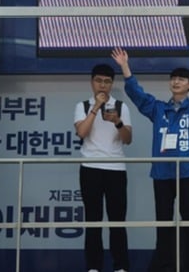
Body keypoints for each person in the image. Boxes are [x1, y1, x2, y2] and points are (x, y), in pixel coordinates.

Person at [113, 47, 189, 272]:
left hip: (188, 172)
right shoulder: (158, 109)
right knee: (163, 223)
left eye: (181, 79)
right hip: (162, 174)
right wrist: (125, 67)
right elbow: (138, 96)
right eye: (173, 79)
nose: (176, 82)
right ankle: (165, 266)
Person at [75, 64, 133, 272]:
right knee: (93, 219)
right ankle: (93, 267)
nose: (103, 85)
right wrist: (95, 109)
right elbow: (81, 132)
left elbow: (128, 139)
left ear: (112, 84)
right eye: (99, 80)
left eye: (107, 81)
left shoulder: (121, 106)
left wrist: (118, 122)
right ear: (92, 82)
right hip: (90, 167)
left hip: (116, 168)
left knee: (117, 220)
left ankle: (121, 267)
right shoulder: (82, 106)